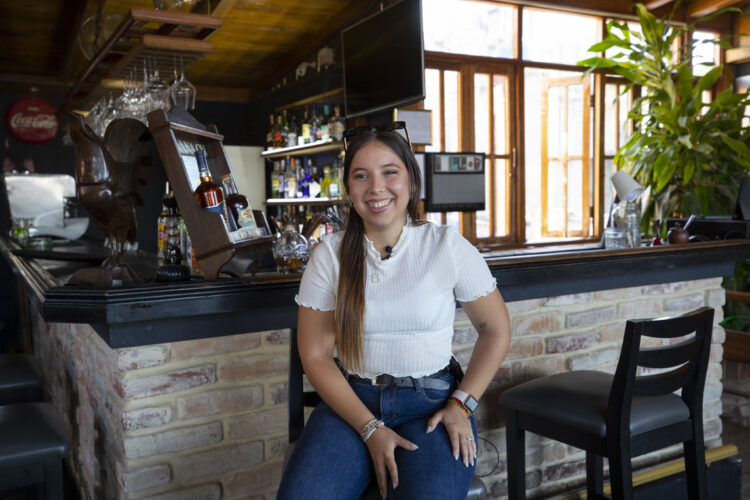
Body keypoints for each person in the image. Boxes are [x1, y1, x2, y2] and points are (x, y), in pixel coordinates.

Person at [277, 122, 511, 500]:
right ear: (349, 188)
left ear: (411, 181)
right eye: (361, 176)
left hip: (432, 407)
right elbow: (316, 355)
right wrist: (370, 429)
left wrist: (461, 403)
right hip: (351, 407)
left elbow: (496, 330)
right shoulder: (329, 256)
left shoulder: (446, 246)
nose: (376, 188)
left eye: (390, 173)